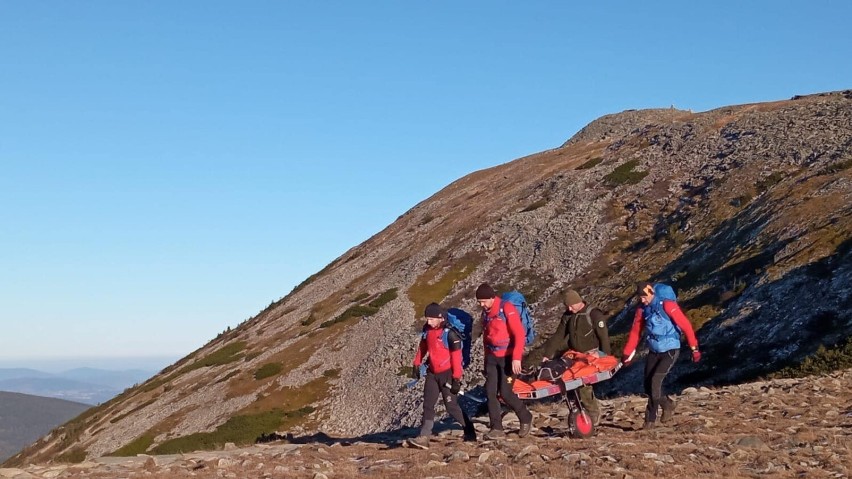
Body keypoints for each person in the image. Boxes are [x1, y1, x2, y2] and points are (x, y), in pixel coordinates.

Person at [622, 282, 701, 429]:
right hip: (654, 350)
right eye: (640, 298)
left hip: (670, 349)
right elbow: (635, 332)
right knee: (647, 385)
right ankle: (668, 404)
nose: (642, 300)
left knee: (655, 382)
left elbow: (686, 326)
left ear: (651, 292)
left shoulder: (668, 305)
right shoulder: (642, 310)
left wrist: (694, 348)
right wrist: (627, 353)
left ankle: (649, 421)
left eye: (644, 297)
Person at [409, 303, 476, 449]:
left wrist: (457, 378)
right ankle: (424, 436)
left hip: (448, 374)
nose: (428, 322)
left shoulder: (450, 334)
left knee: (451, 406)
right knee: (428, 404)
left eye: (431, 319)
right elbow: (423, 346)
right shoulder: (427, 330)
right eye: (427, 319)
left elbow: (456, 358)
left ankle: (469, 430)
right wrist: (416, 363)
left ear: (440, 318)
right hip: (432, 373)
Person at [540, 289, 611, 426]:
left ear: (577, 302)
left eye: (571, 306)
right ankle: (579, 410)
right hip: (574, 354)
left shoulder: (594, 314)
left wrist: (603, 354)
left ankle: (592, 411)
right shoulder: (568, 316)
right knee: (567, 378)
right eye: (567, 306)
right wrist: (547, 355)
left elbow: (604, 337)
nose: (569, 309)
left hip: (591, 353)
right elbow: (558, 336)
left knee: (582, 383)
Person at [475, 283, 533, 439]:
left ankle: (525, 416)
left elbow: (519, 335)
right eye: (479, 302)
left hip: (508, 357)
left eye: (484, 301)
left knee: (505, 393)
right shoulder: (486, 313)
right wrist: (486, 361)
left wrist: (516, 359)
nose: (481, 305)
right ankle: (497, 429)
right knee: (490, 393)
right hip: (493, 358)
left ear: (492, 298)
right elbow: (486, 339)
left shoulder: (506, 308)